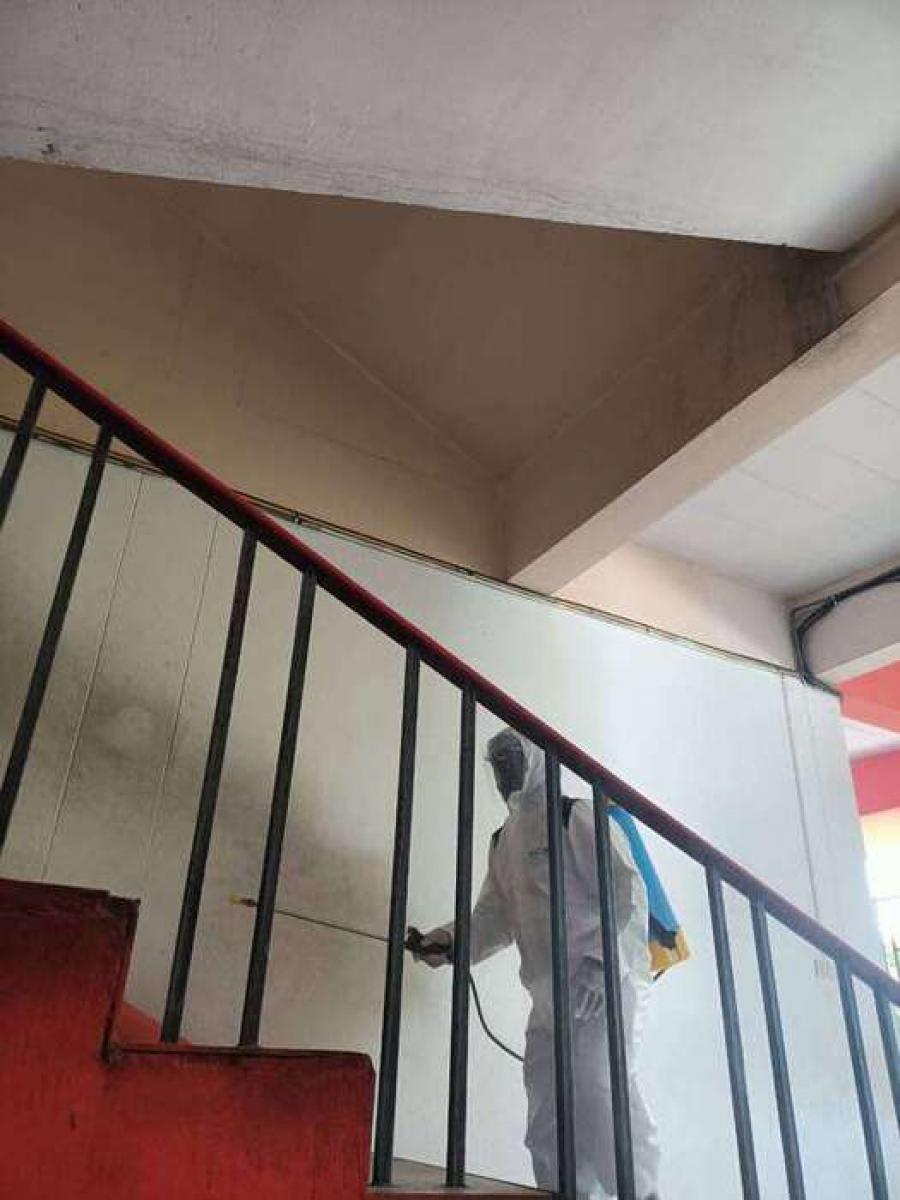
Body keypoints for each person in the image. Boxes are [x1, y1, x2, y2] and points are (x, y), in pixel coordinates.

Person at [410, 727, 686, 1200]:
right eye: (498, 765)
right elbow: (493, 918)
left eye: (512, 761)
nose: (504, 774)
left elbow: (629, 893)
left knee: (602, 1098)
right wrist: (448, 942)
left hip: (604, 990)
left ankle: (640, 1193)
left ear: (536, 759)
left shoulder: (574, 816)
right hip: (548, 1000)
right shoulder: (503, 841)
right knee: (547, 1112)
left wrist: (600, 965)